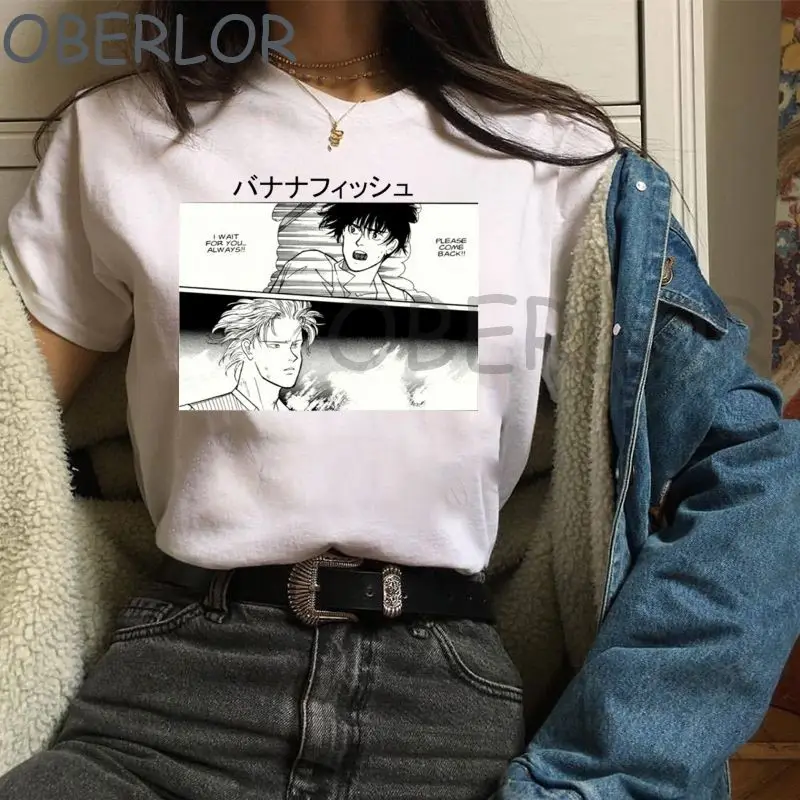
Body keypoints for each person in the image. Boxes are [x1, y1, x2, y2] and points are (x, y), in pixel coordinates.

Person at [0, 2, 797, 800]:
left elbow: (758, 470)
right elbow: (13, 426)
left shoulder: (554, 154)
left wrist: (603, 777)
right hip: (175, 701)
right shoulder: (119, 134)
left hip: (439, 715)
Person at [266, 202, 431, 301]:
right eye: (354, 230)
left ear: (391, 245)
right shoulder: (311, 268)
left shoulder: (398, 298)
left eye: (374, 235)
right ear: (343, 231)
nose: (360, 241)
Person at [180, 297, 321, 411]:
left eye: (295, 345)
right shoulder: (196, 412)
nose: (293, 356)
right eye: (276, 345)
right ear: (248, 348)